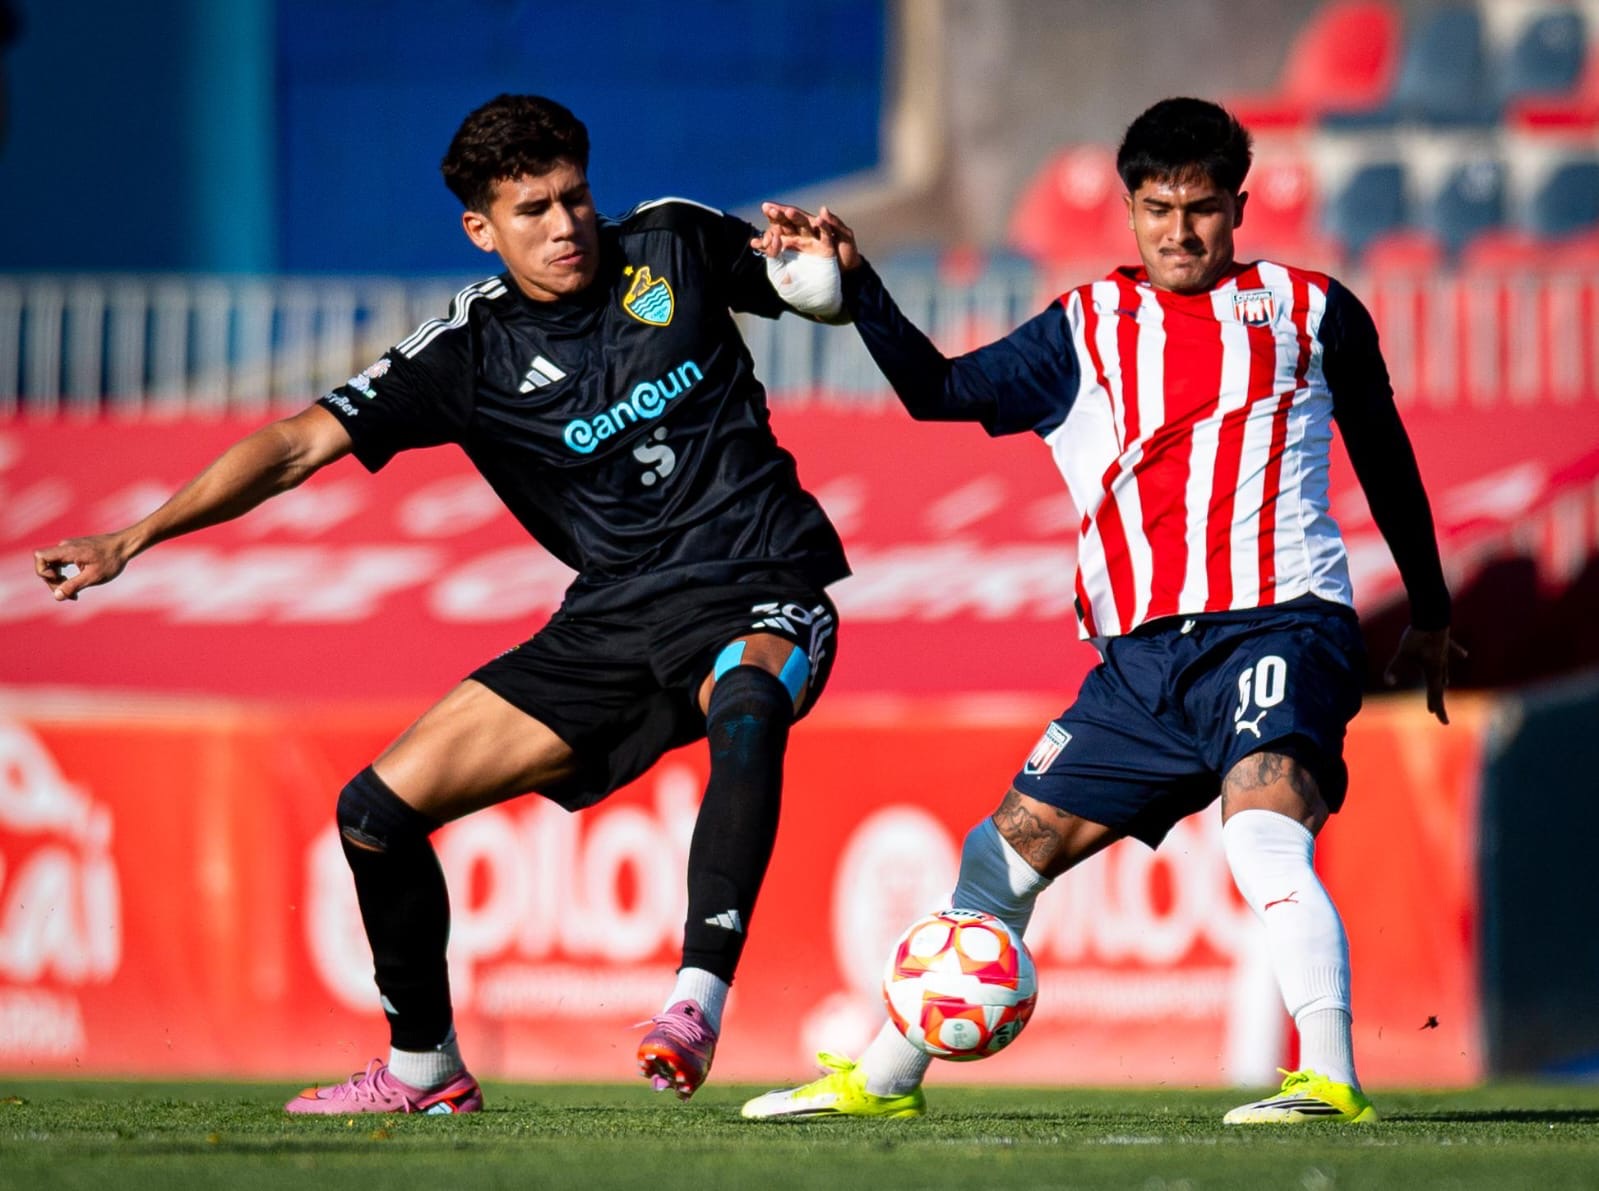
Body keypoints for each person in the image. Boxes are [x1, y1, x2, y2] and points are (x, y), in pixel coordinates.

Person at [34, 93, 855, 1114]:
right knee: (375, 813)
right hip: (611, 620)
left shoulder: (675, 243)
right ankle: (426, 1068)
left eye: (575, 197)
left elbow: (811, 287)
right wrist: (132, 537)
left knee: (747, 698)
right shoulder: (467, 352)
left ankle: (695, 1002)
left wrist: (824, 261)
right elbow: (295, 445)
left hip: (759, 580)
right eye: (533, 210)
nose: (565, 226)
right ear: (482, 228)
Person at [740, 97, 1458, 1126]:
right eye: (1159, 208)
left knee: (1261, 834)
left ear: (1239, 206)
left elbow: (1384, 452)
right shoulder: (1083, 329)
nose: (1180, 231)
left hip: (1281, 621)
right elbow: (937, 391)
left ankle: (1329, 1077)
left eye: (1203, 208)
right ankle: (884, 1078)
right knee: (1004, 849)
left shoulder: (1314, 310)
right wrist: (860, 291)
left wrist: (1427, 605)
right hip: (1141, 664)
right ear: (1128, 208)